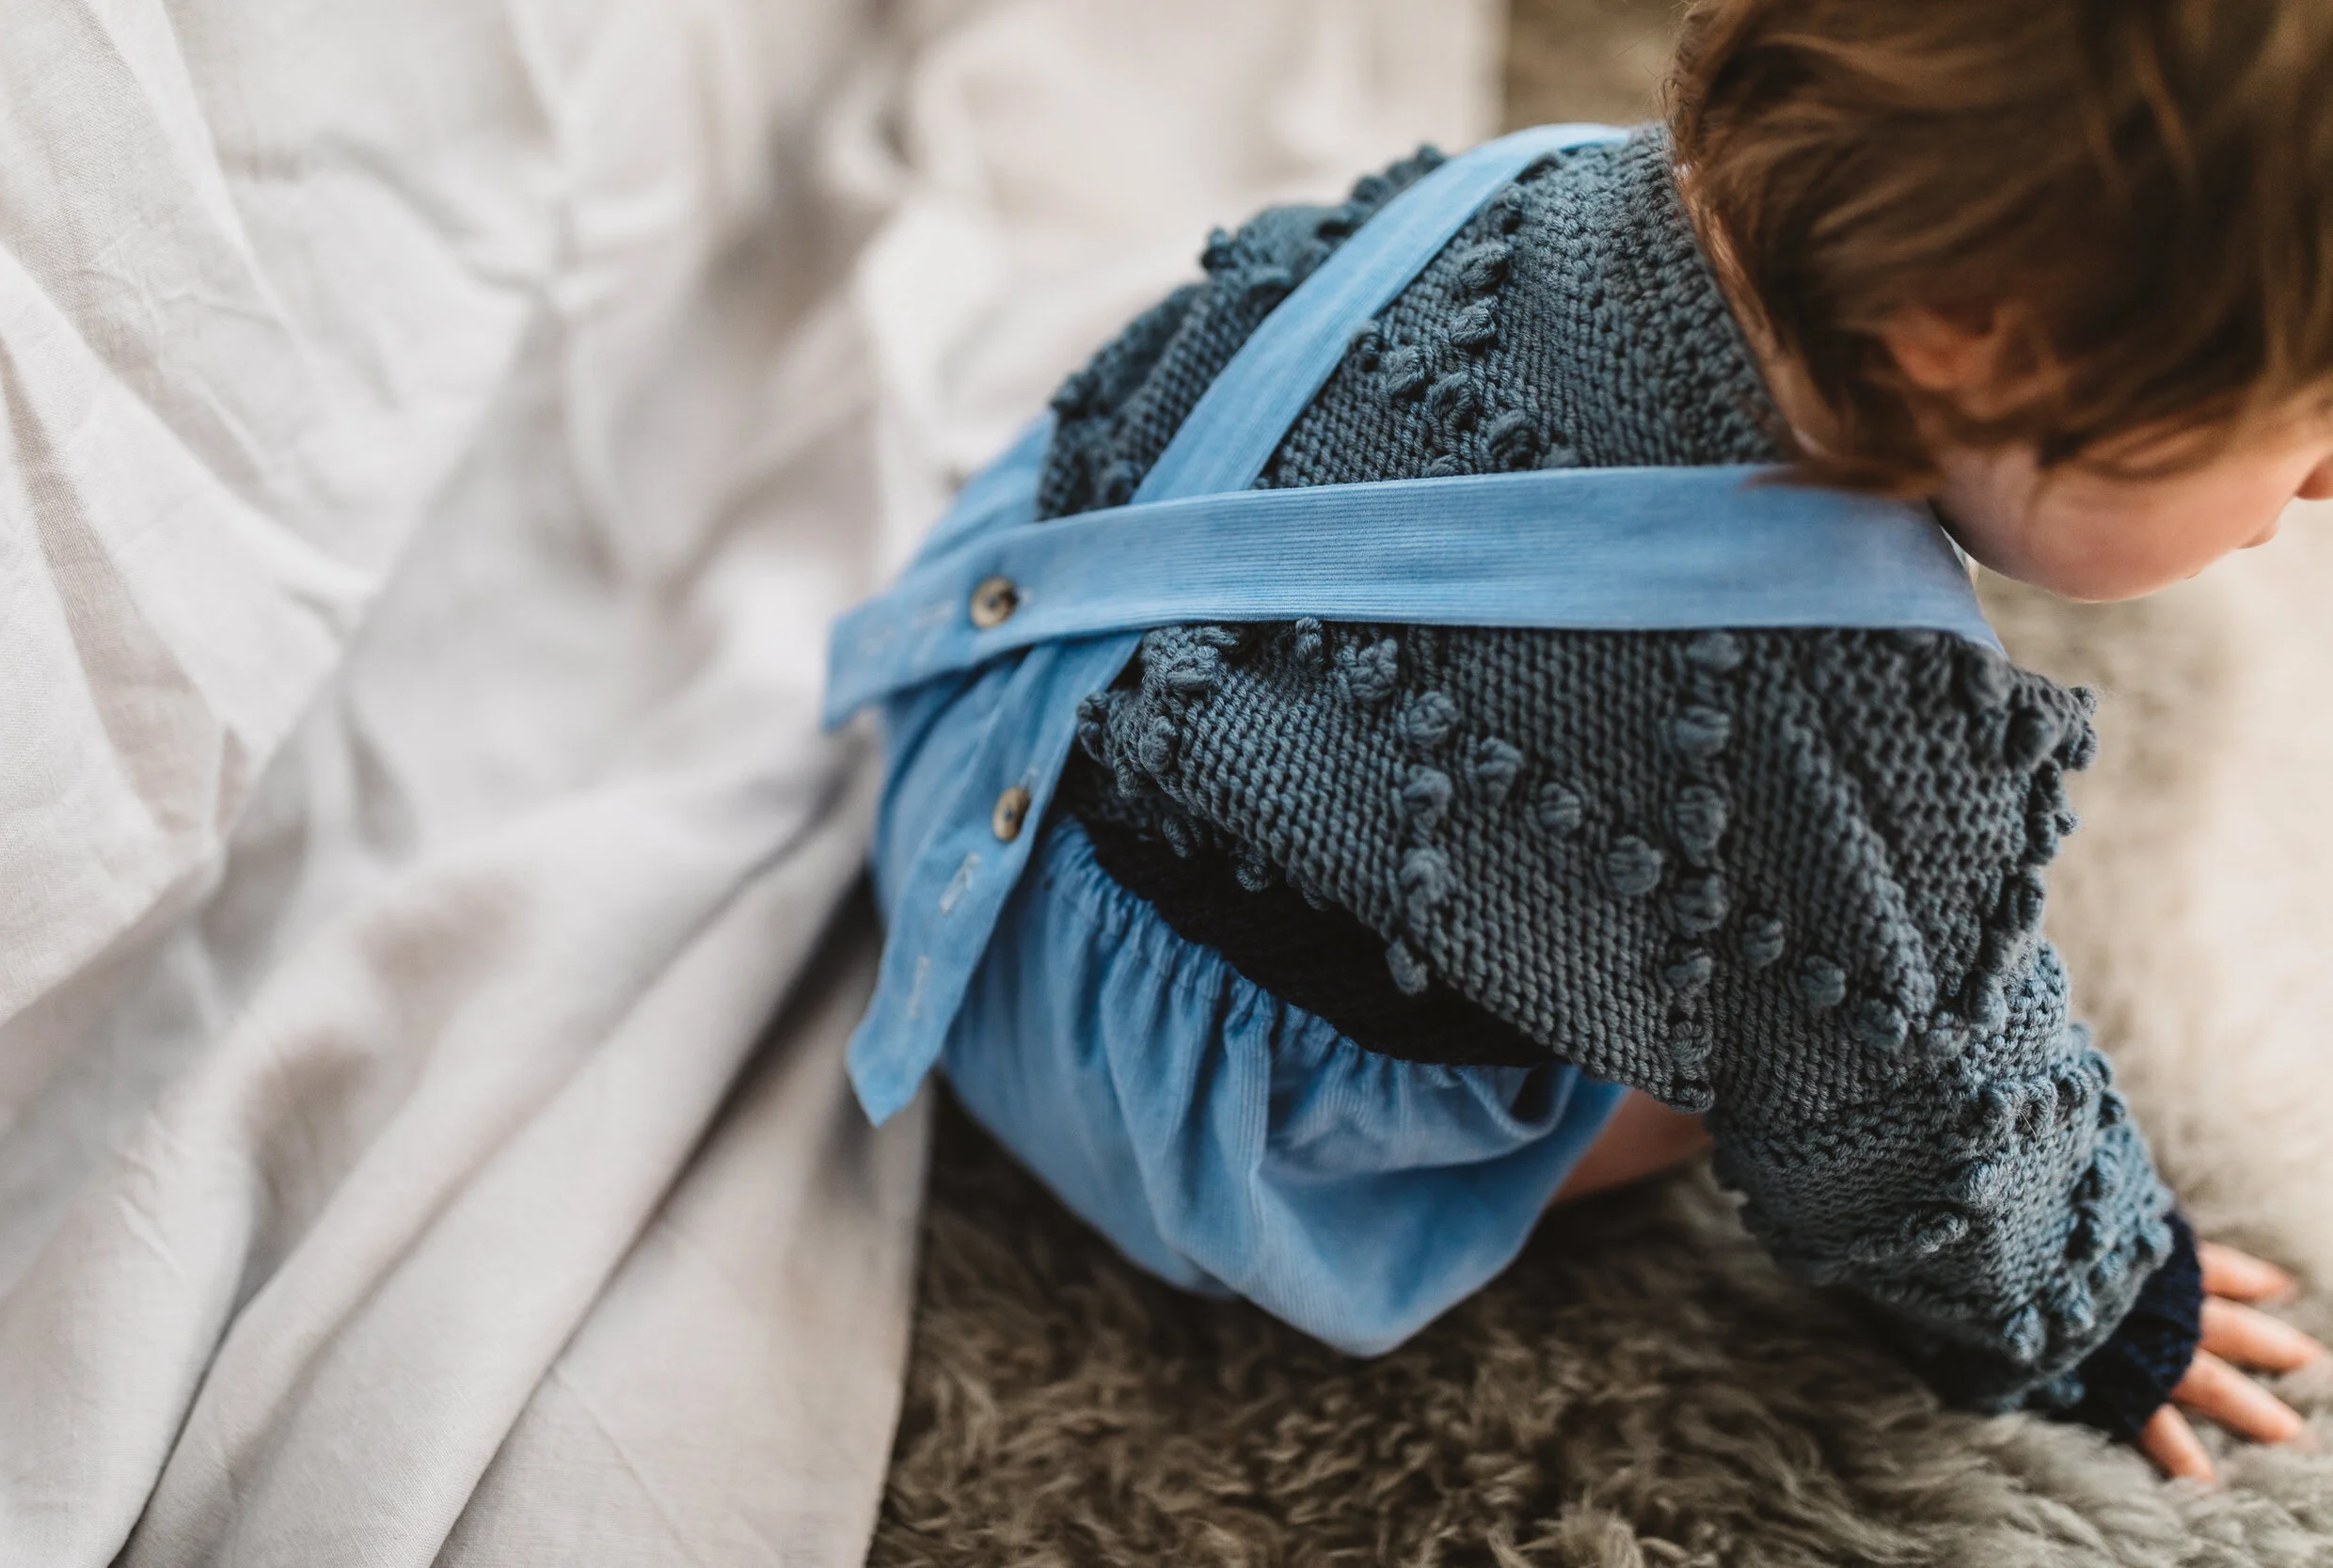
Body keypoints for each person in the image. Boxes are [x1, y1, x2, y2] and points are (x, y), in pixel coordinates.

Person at [833, 0, 2332, 1482]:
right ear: (1976, 345)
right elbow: (1920, 1122)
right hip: (1139, 1093)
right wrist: (2103, 1303)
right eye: (2307, 416)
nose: (2325, 484)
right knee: (1776, 1034)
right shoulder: (1835, 711)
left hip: (981, 696)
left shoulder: (1550, 190)